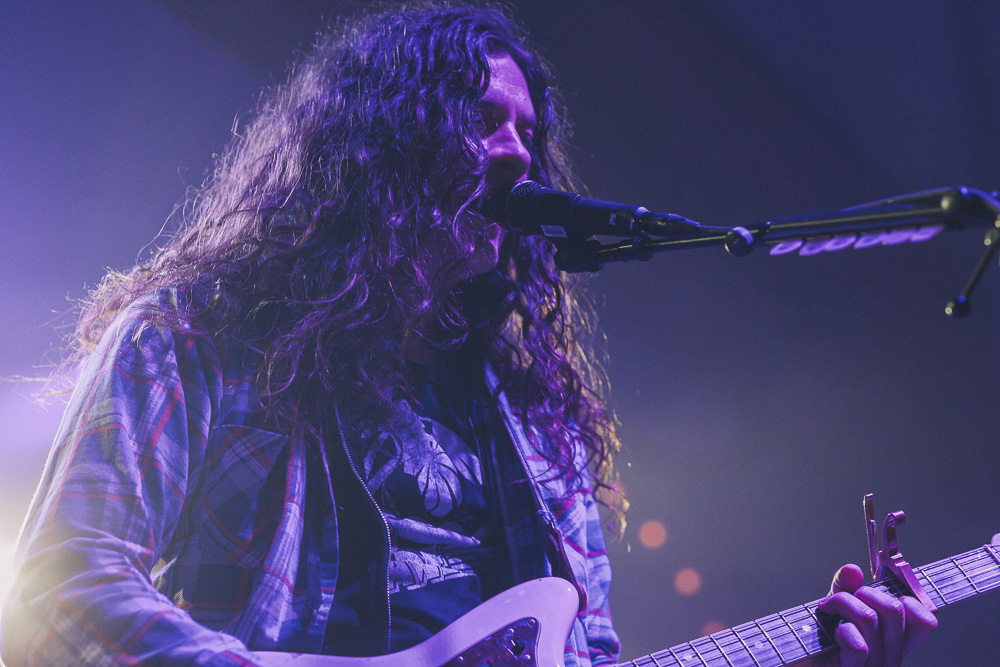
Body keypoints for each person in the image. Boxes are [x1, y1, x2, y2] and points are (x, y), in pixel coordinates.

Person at [0, 3, 937, 666]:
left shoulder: (540, 431)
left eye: (529, 132)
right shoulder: (197, 333)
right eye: (483, 120)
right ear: (379, 144)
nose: (519, 153)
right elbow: (60, 587)